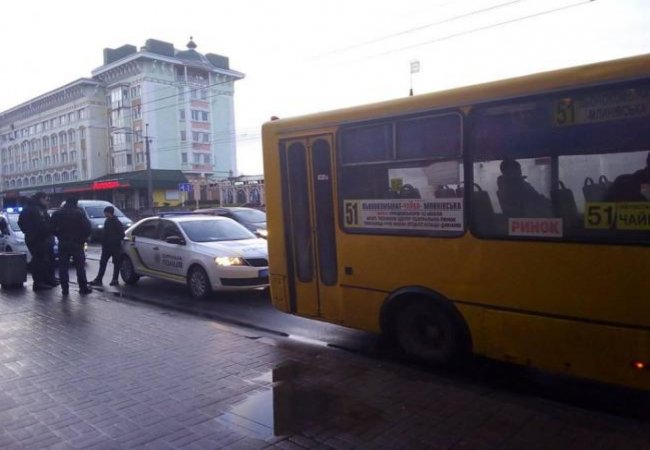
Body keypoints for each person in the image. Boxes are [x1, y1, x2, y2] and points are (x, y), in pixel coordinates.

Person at [51, 197, 92, 295]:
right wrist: (83, 238)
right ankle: (83, 288)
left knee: (63, 267)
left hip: (63, 243)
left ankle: (65, 289)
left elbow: (51, 228)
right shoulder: (79, 213)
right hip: (77, 243)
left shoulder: (57, 213)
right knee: (80, 267)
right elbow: (87, 227)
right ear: (75, 203)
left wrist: (59, 235)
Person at [17, 192, 55, 291]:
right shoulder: (37, 210)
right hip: (39, 238)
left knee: (41, 259)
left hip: (33, 237)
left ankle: (44, 281)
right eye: (46, 199)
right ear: (40, 199)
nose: (48, 201)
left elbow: (20, 222)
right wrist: (48, 231)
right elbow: (42, 225)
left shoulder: (29, 208)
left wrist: (27, 232)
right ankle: (39, 283)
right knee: (40, 260)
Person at [90, 206, 125, 287]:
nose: (104, 214)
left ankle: (114, 279)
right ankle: (99, 279)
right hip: (106, 247)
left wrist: (114, 241)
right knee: (103, 263)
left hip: (115, 247)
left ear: (109, 212)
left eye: (105, 212)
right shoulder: (107, 221)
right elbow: (105, 234)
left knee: (116, 263)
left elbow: (122, 234)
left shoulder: (116, 222)